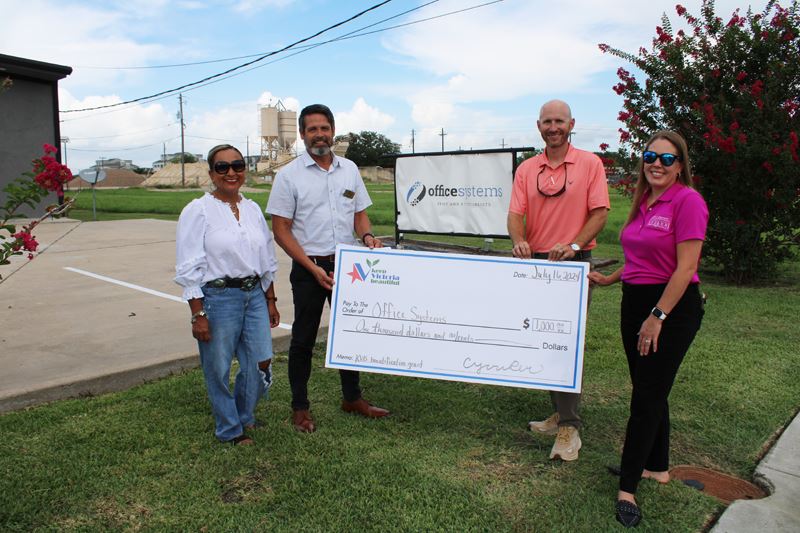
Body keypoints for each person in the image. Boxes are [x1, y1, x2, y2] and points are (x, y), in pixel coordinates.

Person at [588, 130, 707, 528]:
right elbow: (640, 256)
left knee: (647, 397)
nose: (656, 163)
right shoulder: (644, 200)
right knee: (650, 389)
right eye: (650, 155)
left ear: (680, 166)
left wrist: (657, 317)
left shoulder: (687, 201)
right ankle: (657, 467)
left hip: (669, 307)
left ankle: (628, 488)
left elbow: (685, 268)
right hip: (635, 301)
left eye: (667, 159)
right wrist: (610, 280)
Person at [266, 103, 388, 433]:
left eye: (324, 128)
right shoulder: (288, 175)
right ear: (303, 135)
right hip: (310, 268)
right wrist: (310, 266)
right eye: (312, 129)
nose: (319, 134)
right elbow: (281, 230)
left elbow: (358, 213)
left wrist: (367, 235)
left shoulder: (348, 169)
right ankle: (300, 408)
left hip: (348, 266)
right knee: (303, 340)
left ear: (333, 130)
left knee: (349, 335)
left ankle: (352, 397)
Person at [507, 99, 610, 461]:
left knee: (565, 345)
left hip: (573, 263)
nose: (553, 127)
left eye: (560, 121)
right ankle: (559, 411)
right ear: (539, 127)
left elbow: (600, 213)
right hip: (536, 265)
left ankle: (569, 428)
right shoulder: (526, 169)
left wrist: (575, 244)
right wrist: (519, 240)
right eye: (547, 122)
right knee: (541, 341)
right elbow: (515, 214)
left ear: (571, 125)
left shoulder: (590, 164)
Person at [175, 144, 280, 445]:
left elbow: (266, 260)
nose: (231, 172)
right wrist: (198, 314)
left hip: (255, 295)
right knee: (218, 368)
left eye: (237, 165)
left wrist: (270, 299)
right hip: (218, 298)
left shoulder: (252, 209)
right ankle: (229, 428)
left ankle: (245, 415)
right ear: (211, 173)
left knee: (260, 362)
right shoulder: (198, 210)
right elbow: (188, 265)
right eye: (223, 167)